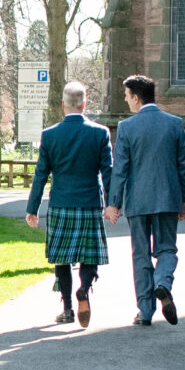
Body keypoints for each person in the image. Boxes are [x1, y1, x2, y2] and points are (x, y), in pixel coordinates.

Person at [25, 81, 113, 327]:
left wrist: (32, 209)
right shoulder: (100, 133)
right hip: (89, 203)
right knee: (88, 254)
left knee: (62, 259)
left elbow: (41, 174)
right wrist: (113, 204)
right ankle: (84, 288)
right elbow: (108, 171)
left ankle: (67, 309)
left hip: (61, 203)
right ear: (84, 105)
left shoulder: (50, 135)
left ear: (63, 105)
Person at [106, 75, 185, 327]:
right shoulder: (175, 124)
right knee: (166, 249)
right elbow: (183, 166)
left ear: (136, 97)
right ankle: (163, 282)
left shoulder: (127, 127)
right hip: (168, 198)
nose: (125, 101)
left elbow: (120, 168)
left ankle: (145, 311)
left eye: (126, 96)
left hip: (138, 202)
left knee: (140, 255)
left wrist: (113, 203)